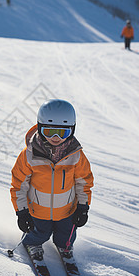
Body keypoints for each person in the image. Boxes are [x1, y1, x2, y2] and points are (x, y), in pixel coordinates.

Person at [10, 99, 94, 262]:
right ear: (40, 128)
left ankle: (65, 246)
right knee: (38, 231)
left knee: (67, 232)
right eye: (49, 132)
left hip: (67, 210)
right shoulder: (29, 155)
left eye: (63, 133)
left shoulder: (76, 156)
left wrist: (83, 207)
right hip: (38, 210)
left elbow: (84, 182)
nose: (56, 137)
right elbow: (18, 185)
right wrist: (21, 211)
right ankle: (33, 244)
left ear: (72, 130)